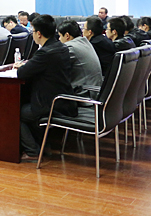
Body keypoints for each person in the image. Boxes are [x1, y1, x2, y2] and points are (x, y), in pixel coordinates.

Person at [14, 15, 76, 162]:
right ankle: (44, 146)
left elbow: (22, 73)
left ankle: (32, 151)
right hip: (63, 100)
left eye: (33, 31)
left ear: (39, 33)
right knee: (26, 108)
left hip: (50, 103)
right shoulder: (61, 47)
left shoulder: (45, 52)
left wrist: (24, 66)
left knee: (14, 113)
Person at [57, 20, 102, 98]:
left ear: (67, 35)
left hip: (84, 94)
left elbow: (54, 65)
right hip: (94, 91)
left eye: (60, 36)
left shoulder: (70, 47)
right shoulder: (85, 42)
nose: (59, 39)